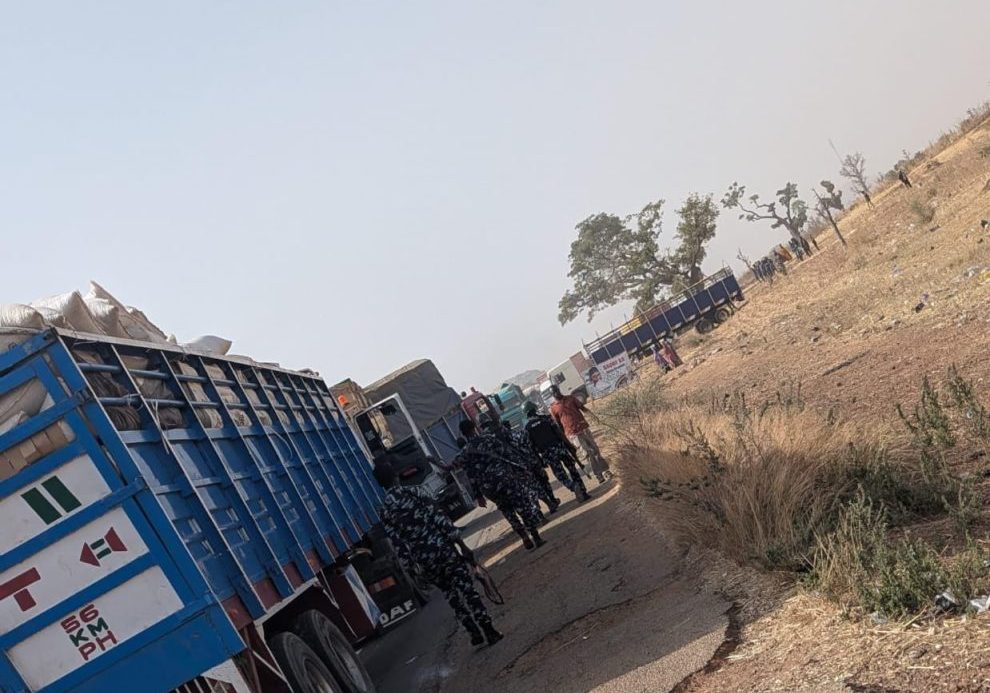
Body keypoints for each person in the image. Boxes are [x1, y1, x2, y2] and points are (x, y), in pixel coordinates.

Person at [374, 460, 503, 647]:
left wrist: (412, 569)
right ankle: (488, 630)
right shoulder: (416, 492)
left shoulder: (385, 511)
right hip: (444, 550)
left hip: (425, 560)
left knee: (452, 595)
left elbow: (399, 544)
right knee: (467, 589)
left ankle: (473, 631)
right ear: (396, 476)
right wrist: (462, 546)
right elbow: (440, 520)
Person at [457, 419, 546, 549]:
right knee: (522, 507)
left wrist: (479, 496)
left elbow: (471, 475)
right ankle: (536, 537)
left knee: (507, 511)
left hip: (489, 488)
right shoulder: (489, 439)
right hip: (505, 479)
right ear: (474, 427)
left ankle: (524, 537)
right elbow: (507, 455)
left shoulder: (465, 452)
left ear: (463, 433)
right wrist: (520, 470)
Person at [524, 401, 590, 503]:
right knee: (573, 470)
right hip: (560, 448)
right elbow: (559, 433)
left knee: (561, 475)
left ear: (526, 413)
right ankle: (583, 492)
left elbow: (531, 447)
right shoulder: (546, 419)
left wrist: (540, 462)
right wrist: (569, 446)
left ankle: (573, 486)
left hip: (548, 454)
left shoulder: (527, 428)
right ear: (535, 409)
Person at [549, 386, 611, 484]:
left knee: (595, 449)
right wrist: (564, 439)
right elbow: (558, 425)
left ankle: (605, 471)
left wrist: (594, 416)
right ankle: (598, 475)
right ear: (552, 395)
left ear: (559, 390)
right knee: (587, 453)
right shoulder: (553, 408)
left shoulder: (570, 398)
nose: (556, 393)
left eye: (556, 391)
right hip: (573, 434)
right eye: (553, 393)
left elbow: (582, 408)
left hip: (583, 427)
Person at [503, 421, 559, 514]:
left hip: (522, 468)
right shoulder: (522, 433)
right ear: (510, 426)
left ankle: (539, 512)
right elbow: (533, 447)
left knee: (531, 488)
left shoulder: (505, 443)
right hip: (533, 461)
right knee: (544, 481)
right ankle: (552, 501)